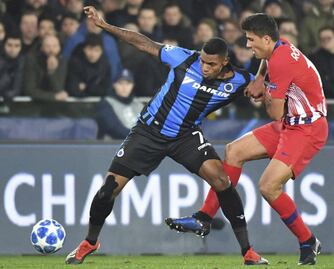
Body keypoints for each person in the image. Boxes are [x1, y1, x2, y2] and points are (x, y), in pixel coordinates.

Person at [65, 6, 268, 266]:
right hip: (148, 131)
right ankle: (90, 242)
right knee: (107, 191)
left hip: (185, 136)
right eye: (203, 61)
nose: (204, 67)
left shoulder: (240, 80)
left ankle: (248, 252)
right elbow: (144, 43)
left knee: (222, 180)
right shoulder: (183, 58)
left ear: (224, 63)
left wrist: (261, 78)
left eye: (211, 64)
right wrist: (104, 25)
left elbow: (270, 76)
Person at [166, 13, 328, 266]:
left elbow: (274, 113)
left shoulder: (282, 62)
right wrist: (260, 78)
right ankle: (204, 218)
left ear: (265, 38)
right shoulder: (279, 46)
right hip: (289, 124)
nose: (248, 44)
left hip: (306, 129)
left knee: (268, 187)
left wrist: (262, 94)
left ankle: (308, 241)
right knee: (234, 151)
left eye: (251, 40)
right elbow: (269, 64)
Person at [96, 69, 144, 139]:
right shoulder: (106, 103)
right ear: (114, 85)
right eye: (120, 83)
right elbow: (113, 127)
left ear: (133, 85)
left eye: (128, 84)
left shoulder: (138, 104)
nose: (124, 87)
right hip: (113, 145)